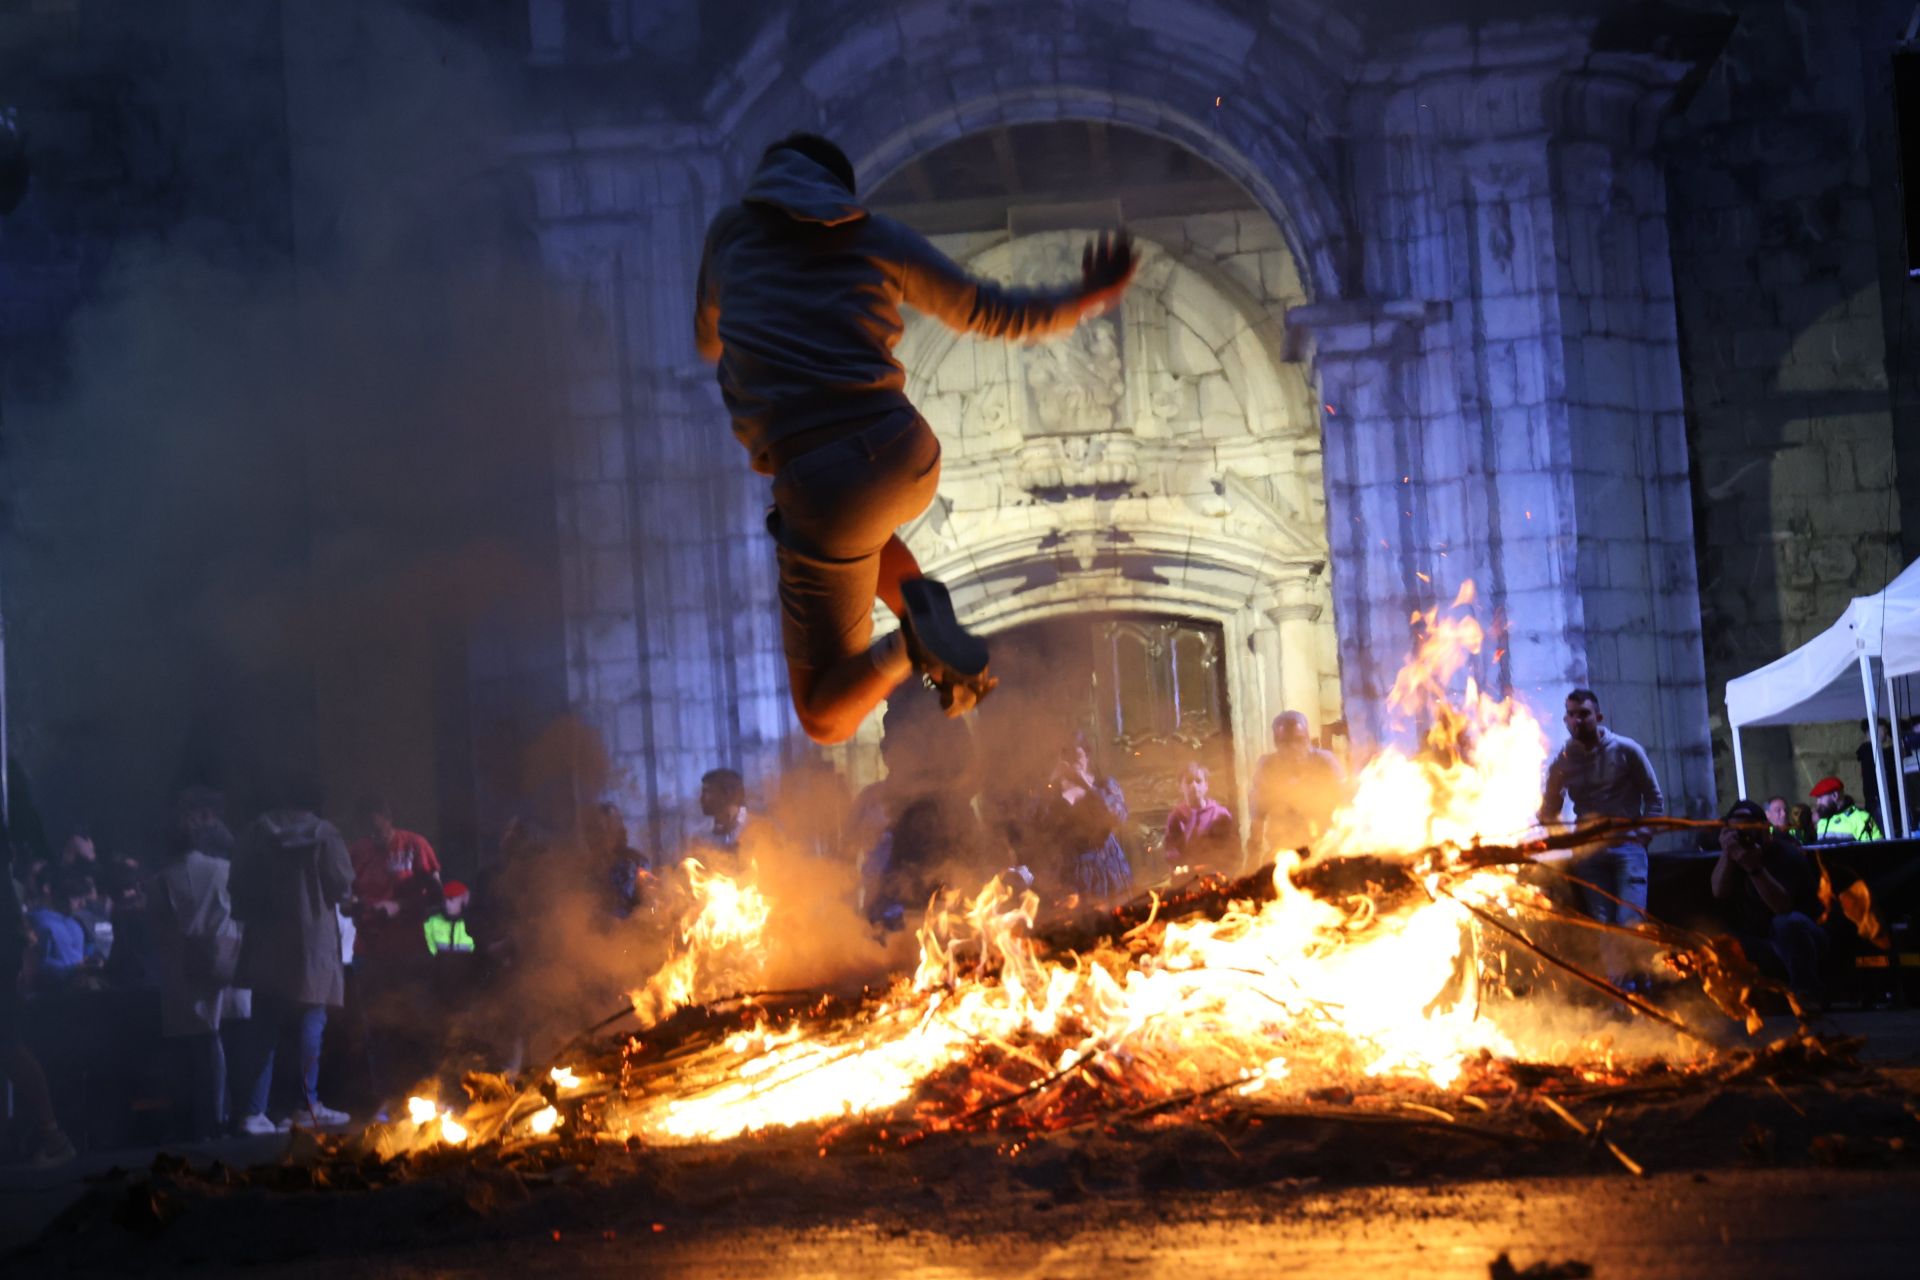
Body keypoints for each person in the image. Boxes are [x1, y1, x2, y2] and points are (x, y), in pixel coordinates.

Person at [694, 132, 1138, 743]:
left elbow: (706, 340)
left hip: (823, 480)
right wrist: (1086, 297)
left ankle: (910, 643)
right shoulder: (877, 238)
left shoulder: (729, 235)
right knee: (863, 537)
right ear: (837, 192)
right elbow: (990, 310)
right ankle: (920, 615)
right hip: (903, 452)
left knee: (824, 716)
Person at [229, 783, 355, 1133]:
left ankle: (255, 1112)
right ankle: (307, 1106)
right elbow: (341, 886)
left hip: (266, 943)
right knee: (311, 1023)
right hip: (311, 945)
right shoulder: (325, 834)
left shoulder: (255, 833)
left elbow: (236, 886)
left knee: (264, 1028)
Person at [150, 814, 250, 1142]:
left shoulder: (162, 879)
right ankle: (239, 1114)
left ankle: (207, 1120)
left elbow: (158, 928)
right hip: (228, 958)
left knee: (203, 1043)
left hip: (186, 968)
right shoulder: (224, 868)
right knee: (233, 1039)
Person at [1537, 688, 1665, 937]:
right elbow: (1548, 810)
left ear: (1598, 717)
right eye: (1571, 715)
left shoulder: (1627, 750)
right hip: (1589, 853)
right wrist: (1568, 841)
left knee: (1631, 925)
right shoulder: (1563, 761)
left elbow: (1654, 800)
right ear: (1566, 720)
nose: (1577, 720)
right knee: (1604, 928)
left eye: (1584, 713)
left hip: (1627, 848)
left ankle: (1638, 976)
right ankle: (1622, 978)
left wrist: (1641, 837)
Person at [1709, 799, 1826, 1003]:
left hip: (1804, 942)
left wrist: (1754, 868)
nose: (1743, 834)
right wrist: (1729, 854)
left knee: (1787, 923)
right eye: (1736, 828)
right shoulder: (1735, 853)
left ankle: (1807, 994)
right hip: (1761, 942)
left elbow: (1782, 907)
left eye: (1748, 828)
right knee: (1715, 937)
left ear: (1764, 829)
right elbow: (1719, 892)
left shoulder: (1786, 854)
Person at [1040, 733, 1133, 904]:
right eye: (1067, 756)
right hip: (1071, 869)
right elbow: (1042, 828)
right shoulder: (1053, 793)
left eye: (1078, 756)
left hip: (1105, 864)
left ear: (1087, 757)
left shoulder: (1103, 785)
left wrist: (1085, 784)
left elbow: (1118, 816)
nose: (1073, 762)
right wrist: (1052, 779)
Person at [1247, 711, 1345, 865]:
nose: (1293, 747)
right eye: (1285, 742)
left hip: (1323, 852)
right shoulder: (1267, 768)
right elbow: (1257, 819)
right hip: (1283, 854)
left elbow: (1344, 806)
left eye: (1298, 740)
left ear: (1307, 739)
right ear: (1276, 743)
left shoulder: (1325, 764)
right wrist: (1251, 863)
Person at [24, 868, 99, 992]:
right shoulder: (39, 923)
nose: (82, 904)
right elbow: (37, 967)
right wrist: (74, 970)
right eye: (76, 897)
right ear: (53, 891)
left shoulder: (74, 923)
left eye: (83, 899)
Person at [1162, 762, 1241, 874]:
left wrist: (1211, 865)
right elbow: (1170, 849)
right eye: (1189, 782)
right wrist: (1181, 865)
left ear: (1206, 785)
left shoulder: (1220, 814)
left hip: (1215, 872)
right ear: (1180, 787)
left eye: (1198, 781)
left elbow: (1229, 849)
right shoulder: (1176, 817)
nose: (1194, 786)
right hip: (1187, 875)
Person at [687, 769, 751, 874]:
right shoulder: (701, 835)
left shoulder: (757, 829)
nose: (701, 799)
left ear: (728, 794)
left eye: (707, 792)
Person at [1810, 776, 1881, 842]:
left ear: (1835, 795)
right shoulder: (1822, 820)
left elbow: (1875, 850)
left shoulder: (1860, 818)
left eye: (1820, 798)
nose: (1818, 802)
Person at [423, 881, 475, 957]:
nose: (447, 903)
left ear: (463, 899)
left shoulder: (473, 923)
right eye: (445, 899)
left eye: (451, 899)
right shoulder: (431, 922)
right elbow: (429, 951)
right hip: (439, 967)